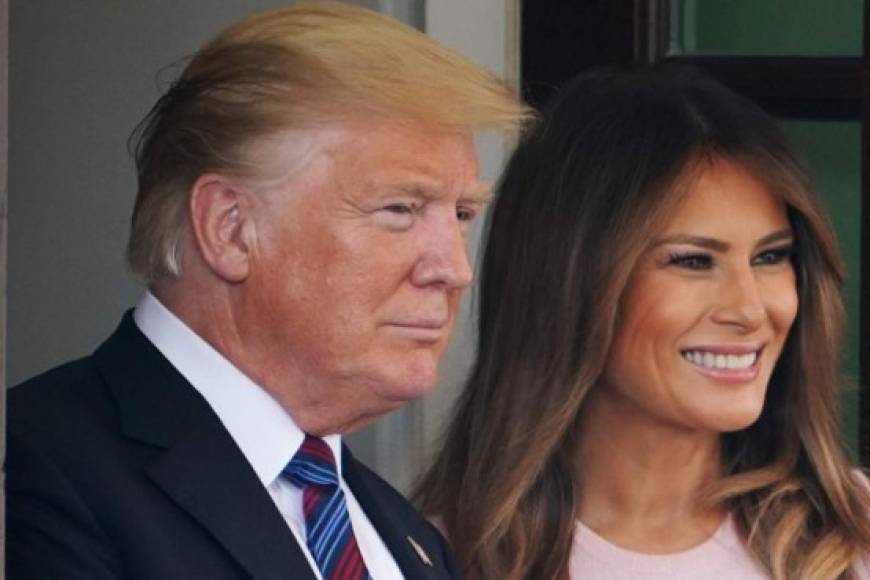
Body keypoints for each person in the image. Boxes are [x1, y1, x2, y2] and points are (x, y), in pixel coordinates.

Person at [6, 3, 528, 579]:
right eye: (400, 209)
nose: (454, 268)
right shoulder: (38, 466)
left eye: (461, 213)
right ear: (230, 229)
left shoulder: (408, 535)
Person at [414, 67, 870, 579]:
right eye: (693, 261)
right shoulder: (427, 560)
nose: (751, 309)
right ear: (569, 280)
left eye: (771, 257)